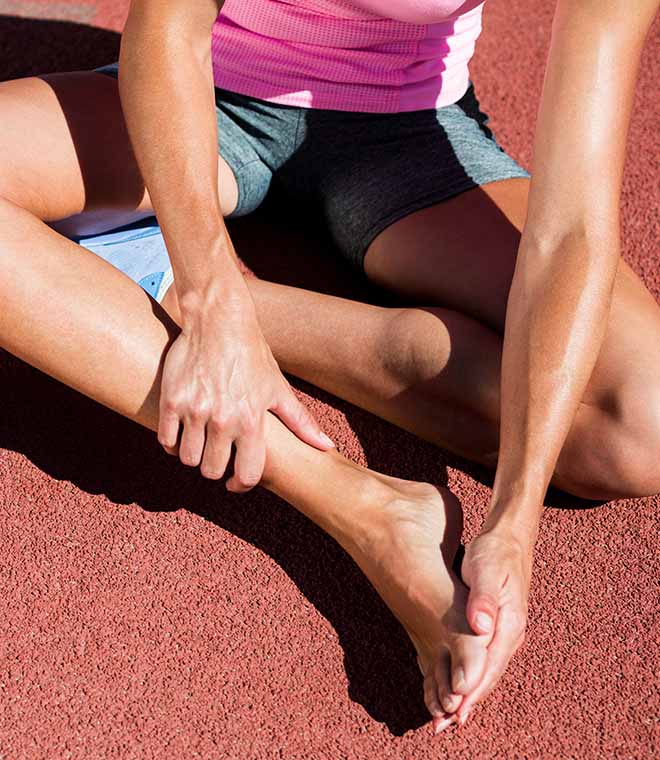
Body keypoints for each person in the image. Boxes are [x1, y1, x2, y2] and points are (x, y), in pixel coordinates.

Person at [1, 0, 658, 735]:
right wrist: (215, 303)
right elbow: (170, 27)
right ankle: (369, 512)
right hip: (211, 90)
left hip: (410, 127)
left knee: (644, 424)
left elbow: (571, 231)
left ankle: (182, 294)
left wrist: (514, 518)